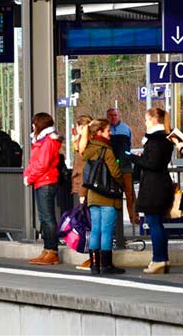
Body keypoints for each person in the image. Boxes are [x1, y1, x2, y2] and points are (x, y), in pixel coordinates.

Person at [131, 107, 174, 274]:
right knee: (158, 224)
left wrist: (134, 158)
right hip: (160, 184)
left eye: (147, 119)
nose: (145, 122)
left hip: (154, 187)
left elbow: (153, 164)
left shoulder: (155, 140)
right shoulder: (166, 138)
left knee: (154, 223)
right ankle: (163, 258)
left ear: (155, 120)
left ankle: (158, 259)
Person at [81, 118, 125, 275]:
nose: (110, 133)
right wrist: (124, 184)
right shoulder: (106, 150)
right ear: (99, 132)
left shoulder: (88, 149)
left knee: (95, 230)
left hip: (93, 195)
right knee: (106, 231)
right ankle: (106, 265)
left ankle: (94, 265)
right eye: (108, 130)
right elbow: (115, 173)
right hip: (107, 196)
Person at [23, 112, 62, 265]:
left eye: (34, 123)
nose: (32, 126)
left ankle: (52, 251)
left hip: (45, 181)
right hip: (42, 181)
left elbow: (42, 164)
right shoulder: (44, 140)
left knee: (48, 218)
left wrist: (29, 177)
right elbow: (36, 162)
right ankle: (47, 249)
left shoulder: (47, 142)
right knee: (44, 218)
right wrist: (29, 175)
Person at [107, 108, 137, 225]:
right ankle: (114, 222)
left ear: (119, 116)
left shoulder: (126, 128)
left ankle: (134, 217)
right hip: (111, 166)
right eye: (110, 116)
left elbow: (129, 145)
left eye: (115, 115)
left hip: (125, 165)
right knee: (112, 194)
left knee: (130, 193)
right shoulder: (106, 129)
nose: (113, 118)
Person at [71, 114, 92, 270]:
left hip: (85, 187)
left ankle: (93, 256)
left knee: (90, 223)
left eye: (78, 126)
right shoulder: (80, 143)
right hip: (81, 186)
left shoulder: (86, 144)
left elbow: (85, 169)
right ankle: (92, 256)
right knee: (88, 222)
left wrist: (82, 193)